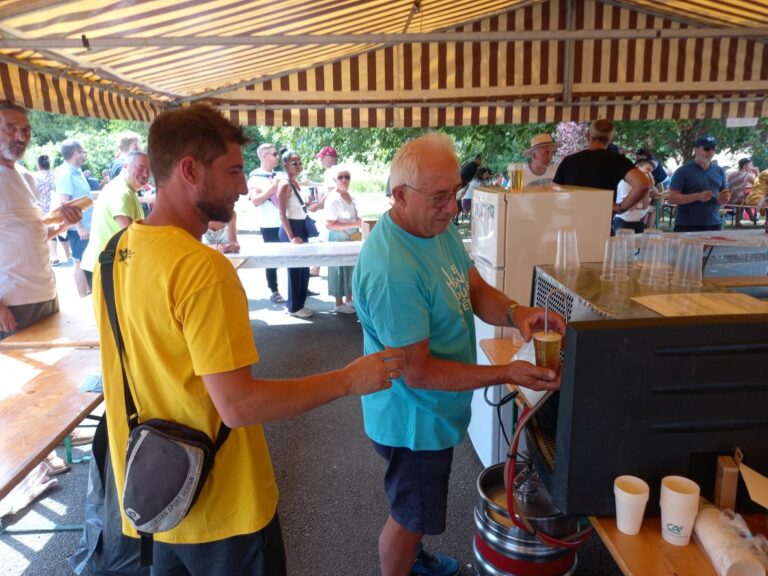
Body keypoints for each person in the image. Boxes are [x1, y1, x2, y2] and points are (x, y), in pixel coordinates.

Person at [92, 103, 404, 576]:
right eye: (234, 170)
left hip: (152, 500)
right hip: (224, 508)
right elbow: (238, 405)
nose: (244, 185)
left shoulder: (115, 253)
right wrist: (347, 380)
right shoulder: (200, 269)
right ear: (190, 170)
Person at [352, 132, 565, 576]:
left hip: (432, 412)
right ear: (399, 196)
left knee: (418, 507)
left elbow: (472, 287)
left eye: (456, 193)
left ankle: (415, 558)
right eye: (439, 197)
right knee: (409, 517)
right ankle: (401, 566)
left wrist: (516, 312)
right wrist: (508, 372)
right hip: (413, 420)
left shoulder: (433, 227)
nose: (452, 207)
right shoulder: (394, 268)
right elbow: (420, 373)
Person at [553, 119, 652, 229]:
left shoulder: (568, 161)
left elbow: (554, 193)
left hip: (569, 225)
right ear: (611, 139)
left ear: (587, 135)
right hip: (600, 225)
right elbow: (643, 184)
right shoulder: (618, 161)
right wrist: (620, 207)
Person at [80, 151, 150, 287]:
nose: (146, 174)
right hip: (105, 266)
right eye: (141, 168)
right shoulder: (121, 193)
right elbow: (130, 235)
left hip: (107, 264)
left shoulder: (125, 189)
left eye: (149, 170)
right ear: (126, 166)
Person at [277, 149, 319, 318]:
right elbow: (281, 212)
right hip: (292, 228)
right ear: (285, 164)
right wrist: (291, 236)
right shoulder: (285, 184)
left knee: (303, 267)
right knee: (295, 268)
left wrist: (308, 205)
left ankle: (298, 303)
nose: (298, 165)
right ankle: (294, 306)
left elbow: (298, 207)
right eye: (294, 162)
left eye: (300, 162)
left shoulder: (295, 183)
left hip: (301, 225)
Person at [54, 138, 93, 297]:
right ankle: (82, 296)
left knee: (86, 261)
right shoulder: (65, 173)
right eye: (83, 152)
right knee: (79, 262)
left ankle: (88, 293)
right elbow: (65, 204)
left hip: (86, 225)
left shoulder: (76, 171)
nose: (84, 155)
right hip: (79, 229)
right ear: (76, 153)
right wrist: (79, 227)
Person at [247, 143, 285, 304]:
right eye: (274, 154)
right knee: (272, 258)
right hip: (269, 223)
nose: (277, 157)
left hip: (285, 221)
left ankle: (299, 286)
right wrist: (273, 187)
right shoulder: (255, 177)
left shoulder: (279, 174)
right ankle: (274, 290)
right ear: (264, 156)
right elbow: (255, 201)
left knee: (295, 255)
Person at [668, 135, 731, 232]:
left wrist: (724, 198)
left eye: (713, 149)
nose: (711, 152)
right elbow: (672, 198)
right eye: (707, 149)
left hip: (713, 222)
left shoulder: (719, 171)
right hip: (687, 224)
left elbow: (723, 194)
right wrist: (698, 196)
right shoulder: (683, 171)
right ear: (696, 150)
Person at [324, 166, 361, 314]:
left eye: (347, 176)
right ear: (335, 180)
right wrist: (355, 224)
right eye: (340, 177)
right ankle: (338, 303)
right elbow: (330, 224)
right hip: (339, 236)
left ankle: (349, 299)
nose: (344, 180)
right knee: (338, 269)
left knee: (351, 268)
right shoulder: (333, 198)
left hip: (351, 236)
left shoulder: (349, 195)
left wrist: (358, 221)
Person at [612, 158, 655, 234]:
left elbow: (645, 206)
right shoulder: (625, 183)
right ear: (637, 167)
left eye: (651, 172)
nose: (649, 174)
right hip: (623, 221)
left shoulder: (644, 185)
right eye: (647, 169)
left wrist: (647, 189)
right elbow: (631, 207)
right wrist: (641, 193)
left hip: (637, 220)